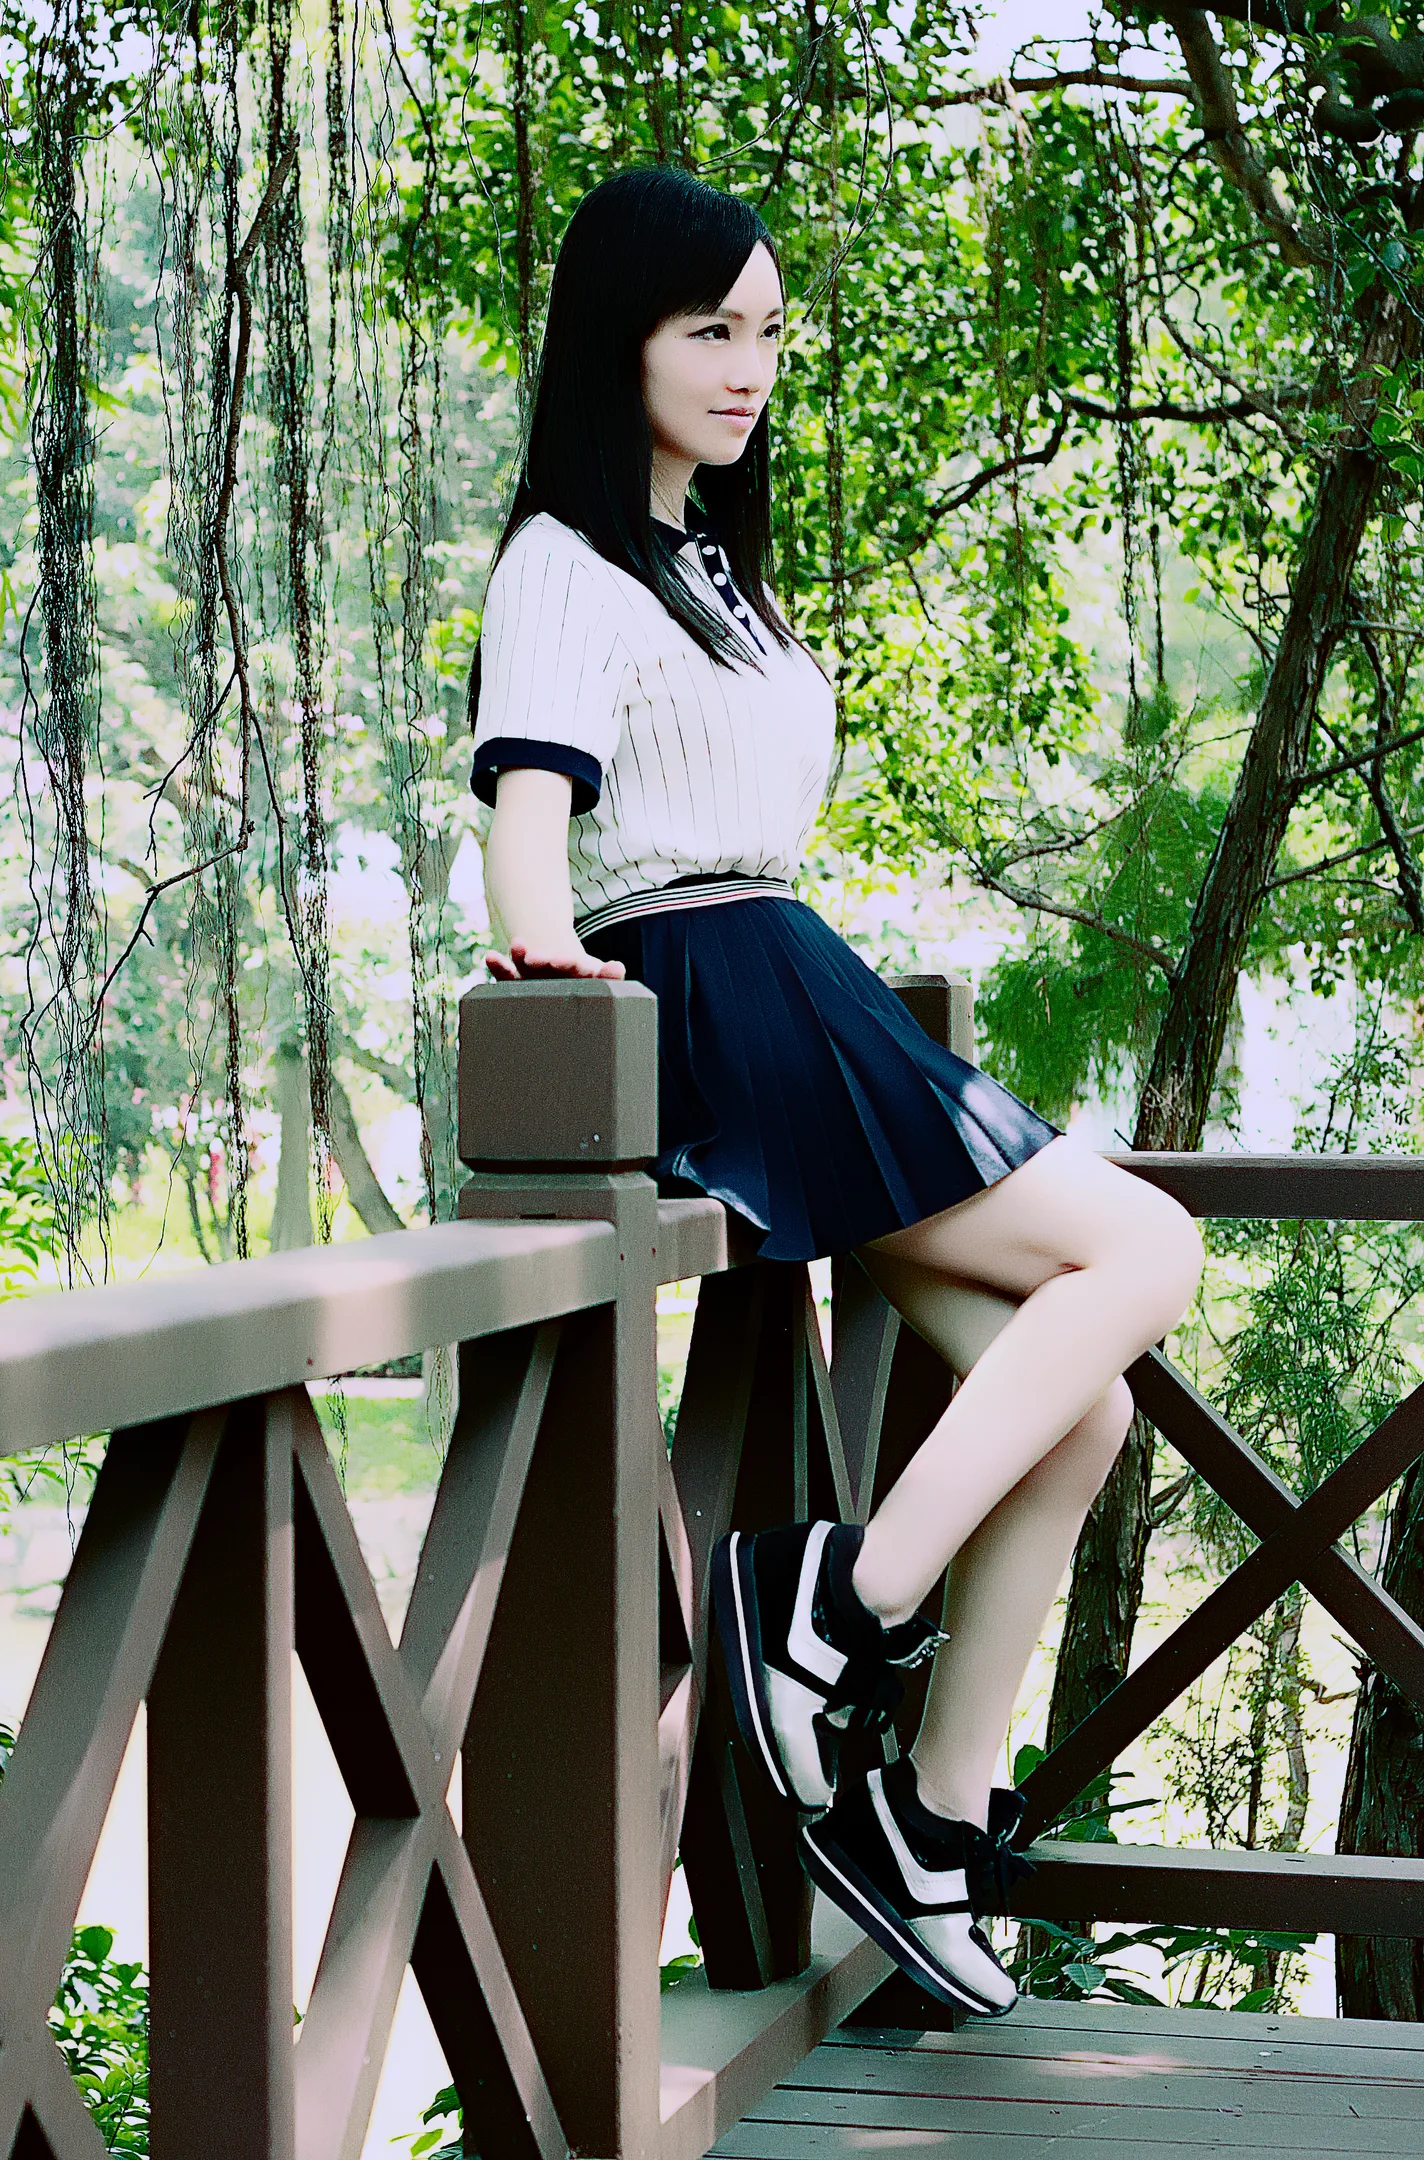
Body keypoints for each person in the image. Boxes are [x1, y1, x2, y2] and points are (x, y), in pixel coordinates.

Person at [470, 165, 1203, 2018]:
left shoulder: (710, 567)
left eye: (768, 333)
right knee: (1146, 1251)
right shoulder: (562, 561)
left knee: (1084, 1413)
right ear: (619, 340)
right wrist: (541, 956)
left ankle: (925, 1821)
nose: (748, 367)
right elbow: (531, 810)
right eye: (708, 328)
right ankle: (839, 1608)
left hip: (792, 981)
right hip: (716, 987)